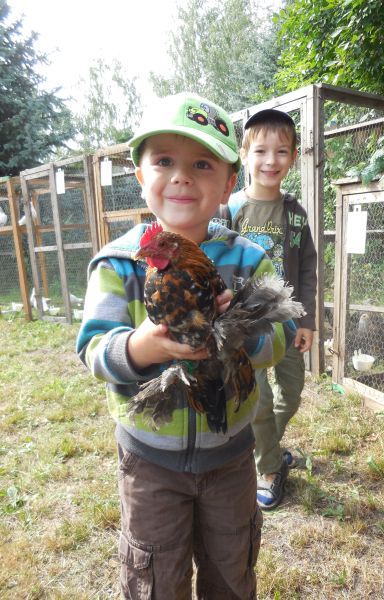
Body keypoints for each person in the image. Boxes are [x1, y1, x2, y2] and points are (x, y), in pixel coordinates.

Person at [76, 93, 287, 599]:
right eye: (164, 161)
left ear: (228, 183)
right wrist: (143, 348)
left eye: (201, 163)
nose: (182, 177)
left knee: (230, 570)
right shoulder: (118, 263)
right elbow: (94, 349)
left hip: (231, 453)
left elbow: (278, 339)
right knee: (155, 578)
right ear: (139, 176)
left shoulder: (249, 258)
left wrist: (236, 332)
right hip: (150, 459)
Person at [215, 108, 317, 510]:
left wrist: (307, 321)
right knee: (254, 399)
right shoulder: (229, 211)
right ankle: (270, 467)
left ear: (293, 157)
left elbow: (308, 268)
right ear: (243, 155)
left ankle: (266, 444)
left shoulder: (295, 215)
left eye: (281, 151)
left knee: (289, 394)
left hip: (288, 322)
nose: (270, 160)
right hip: (247, 328)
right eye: (260, 151)